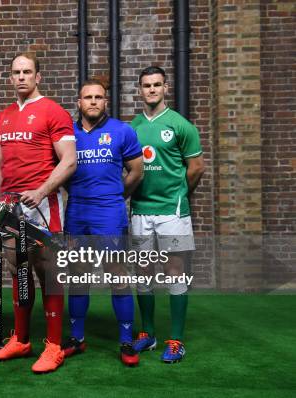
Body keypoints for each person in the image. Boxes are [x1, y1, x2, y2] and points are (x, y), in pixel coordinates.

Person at [0, 52, 76, 374]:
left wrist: (41, 191)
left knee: (47, 270)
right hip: (9, 205)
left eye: (27, 72)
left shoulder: (53, 111)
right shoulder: (5, 115)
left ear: (38, 77)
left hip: (42, 203)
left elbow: (69, 160)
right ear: (10, 77)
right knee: (16, 269)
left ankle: (53, 347)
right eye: (16, 72)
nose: (21, 77)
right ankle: (21, 340)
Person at [62, 77, 144, 366]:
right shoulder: (68, 133)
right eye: (88, 97)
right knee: (78, 275)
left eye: (98, 97)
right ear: (79, 102)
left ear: (105, 101)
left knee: (117, 274)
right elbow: (62, 171)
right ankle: (77, 337)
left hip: (110, 212)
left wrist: (115, 195)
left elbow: (136, 171)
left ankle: (125, 340)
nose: (93, 102)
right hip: (77, 212)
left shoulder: (123, 131)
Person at [130, 66, 205, 363]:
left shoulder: (180, 125)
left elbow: (196, 167)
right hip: (140, 210)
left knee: (176, 272)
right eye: (146, 85)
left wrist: (178, 194)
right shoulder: (132, 127)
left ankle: (176, 340)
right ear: (139, 89)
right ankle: (147, 334)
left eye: (156, 85)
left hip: (172, 212)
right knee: (143, 274)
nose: (151, 90)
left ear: (165, 88)